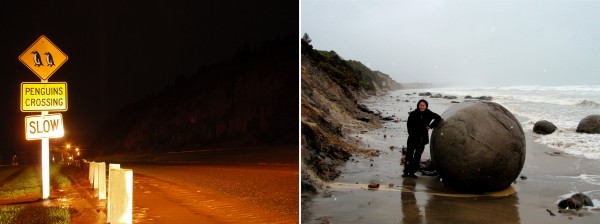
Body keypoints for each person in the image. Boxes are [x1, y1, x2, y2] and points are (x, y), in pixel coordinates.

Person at [403, 99, 441, 178]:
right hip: (412, 138)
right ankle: (406, 171)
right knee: (409, 155)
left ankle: (412, 172)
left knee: (417, 156)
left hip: (422, 138)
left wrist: (430, 126)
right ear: (418, 105)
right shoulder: (413, 114)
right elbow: (408, 124)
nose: (422, 107)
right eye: (421, 105)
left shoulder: (429, 113)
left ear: (426, 106)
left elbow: (438, 118)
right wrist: (410, 132)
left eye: (424, 105)